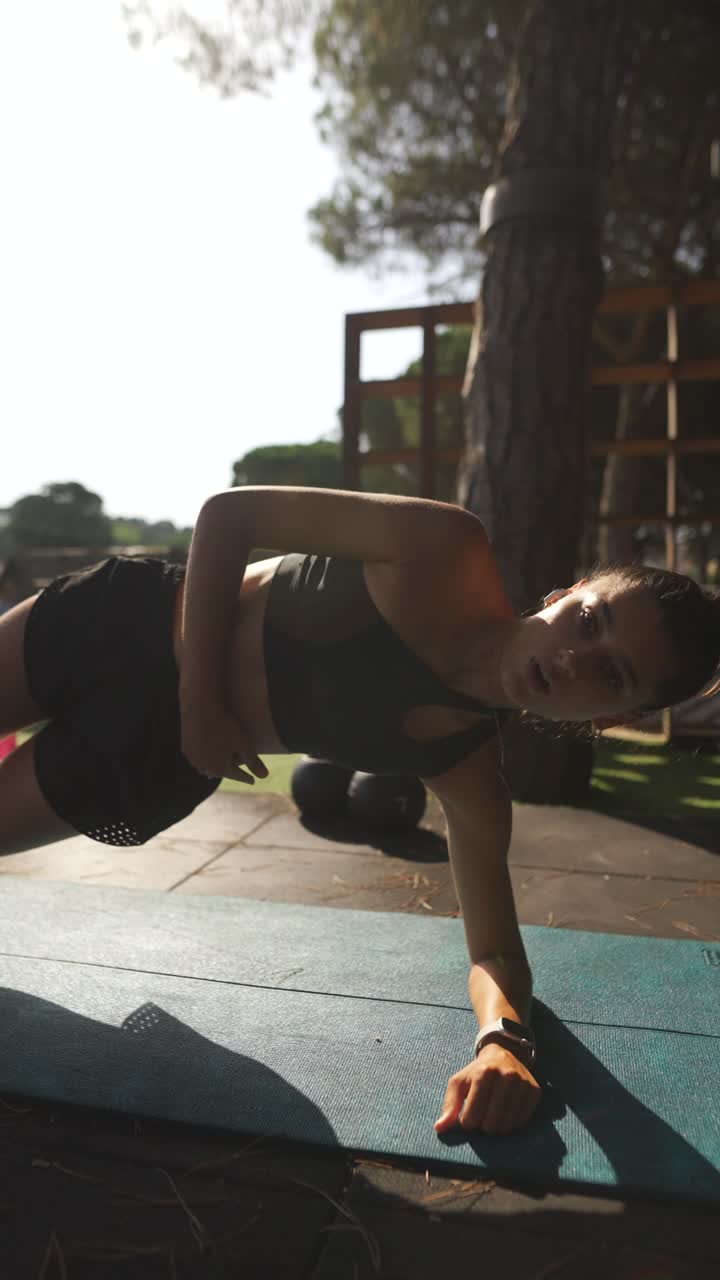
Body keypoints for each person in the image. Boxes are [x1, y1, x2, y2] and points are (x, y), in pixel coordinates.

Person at [1, 485, 719, 1138]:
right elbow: (230, 515)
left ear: (617, 714)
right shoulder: (444, 549)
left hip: (155, 760)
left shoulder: (467, 773)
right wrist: (199, 702)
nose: (572, 660)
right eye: (589, 622)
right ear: (575, 589)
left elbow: (495, 951)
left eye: (611, 673)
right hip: (117, 628)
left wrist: (503, 1040)